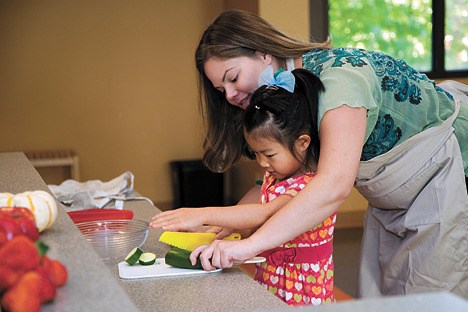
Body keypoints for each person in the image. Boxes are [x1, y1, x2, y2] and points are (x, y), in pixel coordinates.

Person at [180, 9, 468, 298]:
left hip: (447, 170)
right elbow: (275, 183)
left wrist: (249, 246)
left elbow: (333, 186)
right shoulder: (284, 98)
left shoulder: (338, 82)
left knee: (432, 296)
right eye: (220, 90)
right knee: (390, 296)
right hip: (394, 196)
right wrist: (225, 224)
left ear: (263, 53)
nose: (229, 95)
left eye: (233, 78)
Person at [152, 68, 336, 306]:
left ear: (302, 142)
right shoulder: (276, 177)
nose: (262, 163)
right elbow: (257, 221)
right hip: (272, 278)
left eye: (269, 153)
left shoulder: (311, 186)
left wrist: (200, 213)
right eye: (256, 153)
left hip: (304, 288)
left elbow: (264, 213)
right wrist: (220, 230)